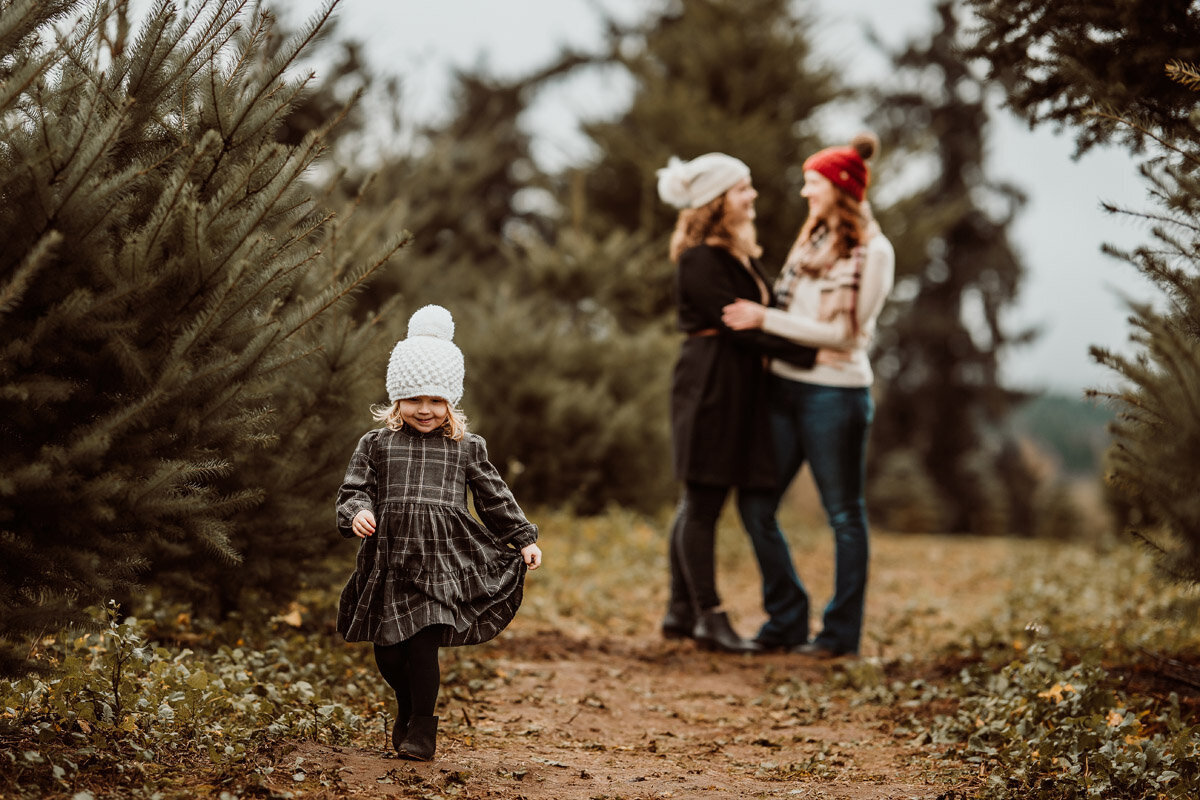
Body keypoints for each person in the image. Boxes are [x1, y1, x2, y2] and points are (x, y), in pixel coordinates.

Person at [335, 304, 543, 761]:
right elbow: (354, 489)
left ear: (450, 401)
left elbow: (494, 497)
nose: (424, 410)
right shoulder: (376, 444)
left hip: (442, 563)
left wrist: (523, 537)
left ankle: (423, 730)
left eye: (435, 401)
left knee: (423, 648)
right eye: (414, 400)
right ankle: (407, 706)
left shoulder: (466, 447)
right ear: (397, 400)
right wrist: (357, 513)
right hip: (389, 560)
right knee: (389, 654)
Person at [722, 133, 895, 657]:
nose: (804, 193)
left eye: (813, 184)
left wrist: (765, 318)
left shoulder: (875, 251)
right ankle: (788, 617)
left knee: (843, 513)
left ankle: (840, 635)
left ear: (840, 189)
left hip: (835, 396)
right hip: (784, 388)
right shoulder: (812, 239)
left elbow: (847, 333)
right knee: (755, 503)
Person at [656, 152, 823, 653]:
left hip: (735, 387)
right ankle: (710, 615)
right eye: (743, 189)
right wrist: (806, 348)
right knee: (703, 501)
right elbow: (740, 328)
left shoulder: (739, 256)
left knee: (698, 501)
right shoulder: (700, 259)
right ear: (717, 201)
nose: (752, 197)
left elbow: (763, 317)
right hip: (710, 388)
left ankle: (680, 611)